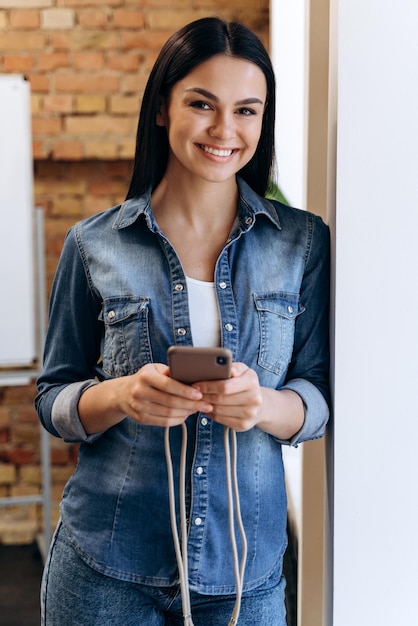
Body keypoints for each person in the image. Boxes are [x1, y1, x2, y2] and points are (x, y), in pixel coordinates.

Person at [35, 16, 330, 626]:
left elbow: (320, 395)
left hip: (245, 579)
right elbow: (52, 400)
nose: (225, 130)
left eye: (247, 110)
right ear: (163, 108)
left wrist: (263, 407)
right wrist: (122, 395)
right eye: (203, 103)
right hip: (104, 572)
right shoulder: (94, 245)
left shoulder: (301, 244)